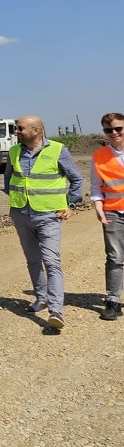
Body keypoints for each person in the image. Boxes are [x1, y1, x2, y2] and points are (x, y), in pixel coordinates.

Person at [3, 115, 83, 330]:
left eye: (20, 128)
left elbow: (76, 179)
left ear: (36, 130)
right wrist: (14, 202)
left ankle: (56, 310)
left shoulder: (58, 150)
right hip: (21, 213)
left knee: (51, 261)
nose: (16, 132)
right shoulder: (14, 152)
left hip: (49, 215)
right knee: (33, 260)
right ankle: (41, 298)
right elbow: (9, 178)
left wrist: (70, 205)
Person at [90, 112, 124, 321]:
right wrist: (98, 207)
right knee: (115, 257)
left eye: (118, 128)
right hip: (112, 212)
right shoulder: (99, 156)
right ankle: (113, 300)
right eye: (108, 130)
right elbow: (96, 187)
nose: (114, 133)